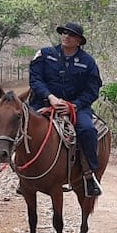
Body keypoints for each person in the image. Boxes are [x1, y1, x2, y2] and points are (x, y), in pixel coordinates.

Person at [28, 22, 104, 197]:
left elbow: (92, 90)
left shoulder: (88, 62)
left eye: (71, 34)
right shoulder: (45, 54)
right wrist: (51, 98)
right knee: (22, 123)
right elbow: (35, 79)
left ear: (79, 41)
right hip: (44, 103)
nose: (66, 36)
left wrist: (73, 106)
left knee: (88, 130)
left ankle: (89, 175)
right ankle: (22, 174)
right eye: (64, 33)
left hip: (77, 107)